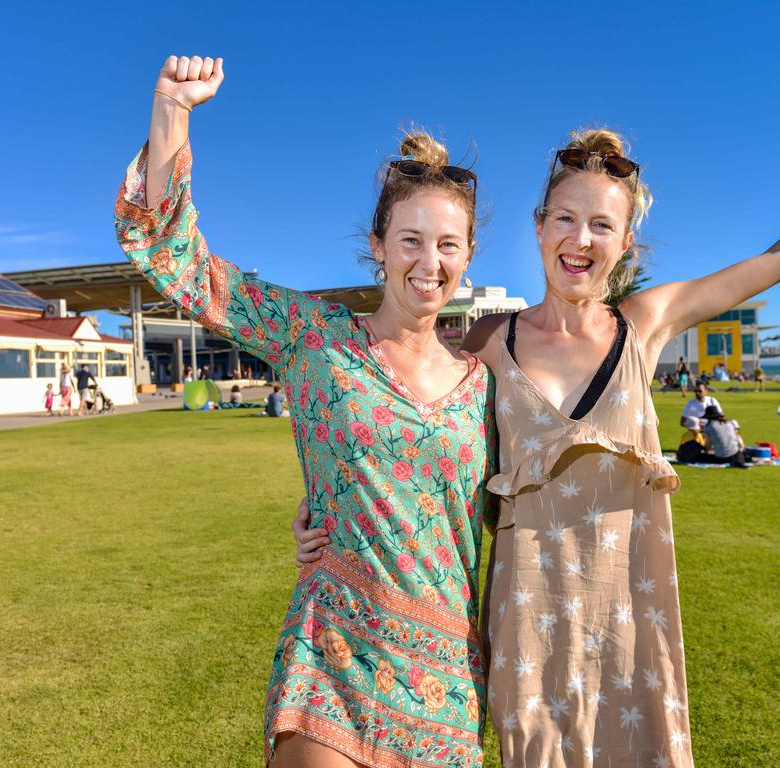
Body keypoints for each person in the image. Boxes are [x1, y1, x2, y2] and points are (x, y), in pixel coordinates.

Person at [297, 125, 780, 766]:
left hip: (631, 618)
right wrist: (329, 512)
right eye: (565, 217)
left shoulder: (643, 324)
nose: (579, 239)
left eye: (601, 225)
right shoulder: (487, 344)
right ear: (539, 226)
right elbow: (414, 425)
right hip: (527, 622)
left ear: (626, 242)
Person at [115, 55, 496, 768]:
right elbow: (177, 261)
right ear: (378, 248)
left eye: (448, 244)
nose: (429, 261)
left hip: (446, 680)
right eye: (410, 240)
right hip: (333, 650)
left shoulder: (487, 386)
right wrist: (172, 111)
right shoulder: (313, 337)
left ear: (469, 257)